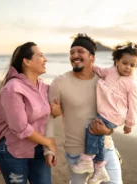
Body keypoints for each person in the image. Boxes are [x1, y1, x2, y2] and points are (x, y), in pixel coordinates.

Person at [44, 34, 123, 184]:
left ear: (92, 57)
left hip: (105, 149)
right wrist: (48, 149)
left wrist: (108, 131)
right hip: (77, 154)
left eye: (80, 51)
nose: (75, 56)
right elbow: (48, 118)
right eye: (72, 52)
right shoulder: (60, 83)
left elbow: (115, 114)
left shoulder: (104, 81)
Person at [71, 42, 137, 184]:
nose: (128, 67)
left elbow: (134, 105)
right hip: (106, 113)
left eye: (132, 65)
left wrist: (130, 124)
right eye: (125, 63)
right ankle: (99, 169)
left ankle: (88, 159)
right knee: (98, 137)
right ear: (117, 61)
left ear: (136, 66)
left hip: (115, 115)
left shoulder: (132, 84)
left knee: (92, 130)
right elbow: (99, 70)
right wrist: (88, 65)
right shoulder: (110, 71)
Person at [0, 42, 61, 184]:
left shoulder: (43, 87)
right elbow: (20, 127)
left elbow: (49, 114)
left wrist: (58, 111)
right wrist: (48, 143)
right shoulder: (12, 89)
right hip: (13, 150)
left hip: (38, 148)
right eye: (41, 55)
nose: (45, 59)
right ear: (27, 61)